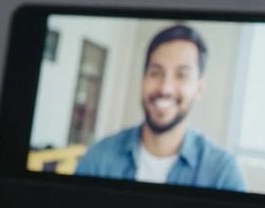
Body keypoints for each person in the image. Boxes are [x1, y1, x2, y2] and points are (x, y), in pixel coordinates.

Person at [75, 24, 248, 192]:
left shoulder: (223, 175)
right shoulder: (98, 159)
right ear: (143, 80)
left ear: (199, 88)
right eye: (155, 73)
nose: (165, 88)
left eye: (182, 75)